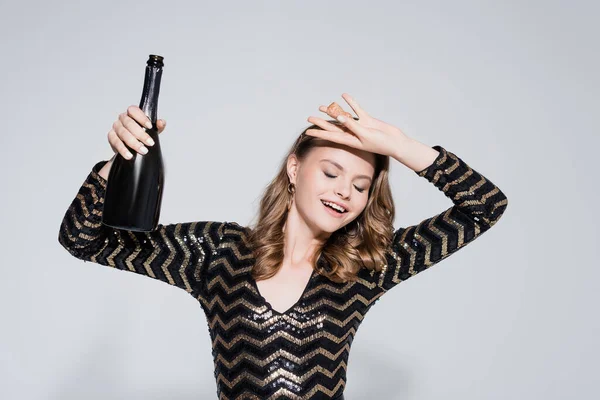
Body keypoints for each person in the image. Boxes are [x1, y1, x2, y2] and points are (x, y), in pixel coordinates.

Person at [58, 93, 508, 400]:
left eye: (360, 184)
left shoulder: (367, 266)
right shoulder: (217, 252)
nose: (343, 192)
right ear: (295, 168)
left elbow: (485, 206)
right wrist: (117, 162)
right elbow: (82, 239)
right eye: (331, 173)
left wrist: (400, 146)